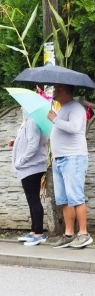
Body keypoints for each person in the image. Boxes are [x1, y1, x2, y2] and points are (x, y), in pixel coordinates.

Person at [46, 83, 92, 249]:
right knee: (64, 199)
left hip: (74, 158)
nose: (53, 92)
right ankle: (69, 234)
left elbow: (73, 128)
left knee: (76, 197)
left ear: (63, 89)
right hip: (60, 159)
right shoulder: (62, 108)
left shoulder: (76, 108)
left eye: (56, 89)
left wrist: (55, 119)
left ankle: (84, 234)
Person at [10, 109, 49, 246]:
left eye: (23, 106)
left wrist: (20, 162)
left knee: (33, 199)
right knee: (32, 199)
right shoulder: (29, 122)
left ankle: (38, 233)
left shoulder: (32, 122)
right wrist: (15, 142)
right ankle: (34, 231)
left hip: (31, 167)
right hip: (30, 166)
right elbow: (28, 141)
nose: (21, 109)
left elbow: (33, 145)